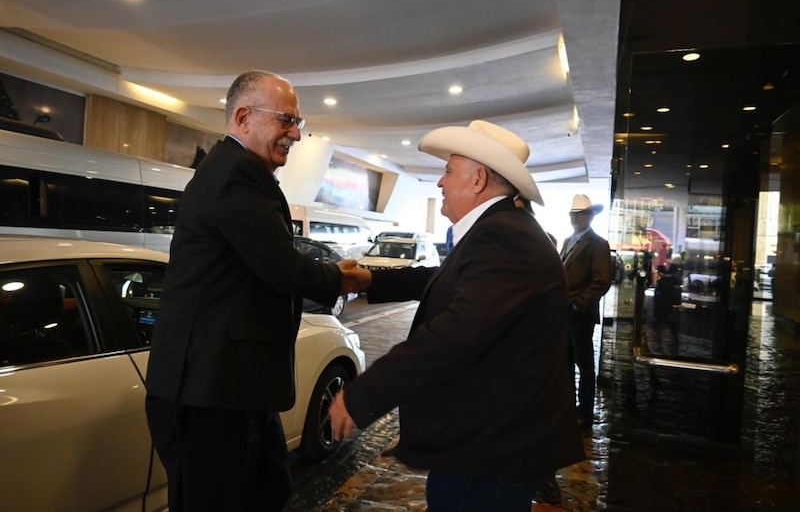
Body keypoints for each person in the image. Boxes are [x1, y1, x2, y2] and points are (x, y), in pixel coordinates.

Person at [331, 120, 585, 511]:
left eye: (448, 171)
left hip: (491, 449)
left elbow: (454, 336)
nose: (440, 183)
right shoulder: (503, 228)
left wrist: (361, 394)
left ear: (478, 179)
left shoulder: (504, 237)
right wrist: (369, 280)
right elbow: (445, 278)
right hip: (491, 440)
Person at [144, 70, 355, 511]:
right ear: (243, 117)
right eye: (286, 120)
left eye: (298, 122)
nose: (296, 134)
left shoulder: (235, 171)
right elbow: (280, 264)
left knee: (266, 492)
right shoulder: (236, 174)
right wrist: (341, 277)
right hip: (209, 391)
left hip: (232, 386)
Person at [560, 194, 613, 428]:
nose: (578, 218)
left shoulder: (598, 244)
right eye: (575, 214)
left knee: (584, 364)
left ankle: (585, 413)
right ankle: (570, 408)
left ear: (590, 216)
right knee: (567, 363)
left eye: (583, 213)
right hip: (565, 314)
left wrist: (577, 304)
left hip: (579, 315)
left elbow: (602, 281)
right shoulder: (569, 241)